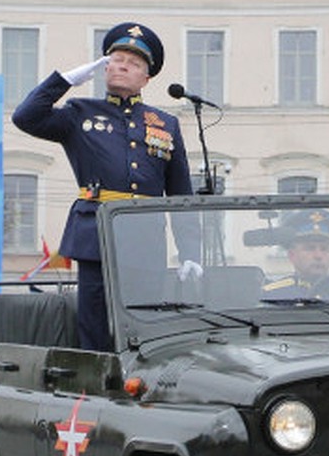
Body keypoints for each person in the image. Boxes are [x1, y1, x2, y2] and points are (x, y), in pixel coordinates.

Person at [11, 22, 198, 351]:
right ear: (104, 66)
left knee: (144, 318)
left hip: (145, 233)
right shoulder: (79, 112)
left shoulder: (165, 124)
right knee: (94, 321)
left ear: (146, 78)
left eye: (134, 63)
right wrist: (65, 81)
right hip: (96, 232)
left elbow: (181, 193)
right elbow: (26, 117)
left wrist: (190, 252)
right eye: (117, 58)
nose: (123, 65)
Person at [261, 210, 329, 300]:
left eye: (324, 249)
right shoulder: (273, 295)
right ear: (292, 255)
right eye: (309, 248)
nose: (318, 255)